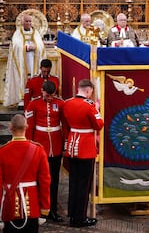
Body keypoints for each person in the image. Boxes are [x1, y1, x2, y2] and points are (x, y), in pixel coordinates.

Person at [62, 79, 104, 228]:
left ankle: (72, 214)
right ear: (88, 91)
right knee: (83, 185)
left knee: (73, 182)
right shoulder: (89, 106)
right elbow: (99, 125)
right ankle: (80, 218)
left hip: (72, 144)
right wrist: (96, 109)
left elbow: (65, 124)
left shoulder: (67, 103)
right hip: (86, 147)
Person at [0, 114, 51, 232]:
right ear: (26, 127)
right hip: (32, 205)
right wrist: (45, 207)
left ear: (10, 128)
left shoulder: (2, 152)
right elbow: (45, 181)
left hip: (9, 204)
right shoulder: (38, 150)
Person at [25, 81, 64, 223]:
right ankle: (38, 209)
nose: (49, 98)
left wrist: (65, 143)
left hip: (56, 145)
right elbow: (29, 127)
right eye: (47, 96)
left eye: (52, 96)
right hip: (39, 146)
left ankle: (52, 210)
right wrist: (29, 145)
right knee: (38, 180)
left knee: (54, 180)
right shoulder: (33, 103)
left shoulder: (60, 103)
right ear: (42, 91)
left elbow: (64, 124)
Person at [4, 14, 46, 108]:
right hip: (22, 60)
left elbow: (41, 45)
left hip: (33, 59)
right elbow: (15, 46)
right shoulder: (18, 33)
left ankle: (34, 95)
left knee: (33, 76)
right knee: (22, 77)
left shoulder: (36, 33)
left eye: (30, 21)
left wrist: (36, 47)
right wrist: (25, 48)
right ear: (22, 22)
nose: (28, 23)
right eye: (26, 21)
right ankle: (22, 98)